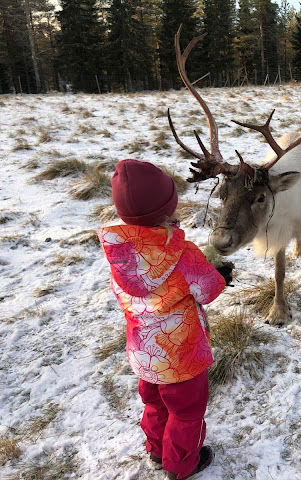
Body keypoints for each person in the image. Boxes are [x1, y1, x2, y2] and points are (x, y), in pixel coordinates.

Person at [97, 159, 232, 480]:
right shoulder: (183, 254)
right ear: (169, 206)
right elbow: (209, 290)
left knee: (155, 405)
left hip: (144, 355)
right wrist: (221, 275)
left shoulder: (120, 254)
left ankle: (158, 453)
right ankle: (181, 465)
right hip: (182, 357)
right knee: (186, 413)